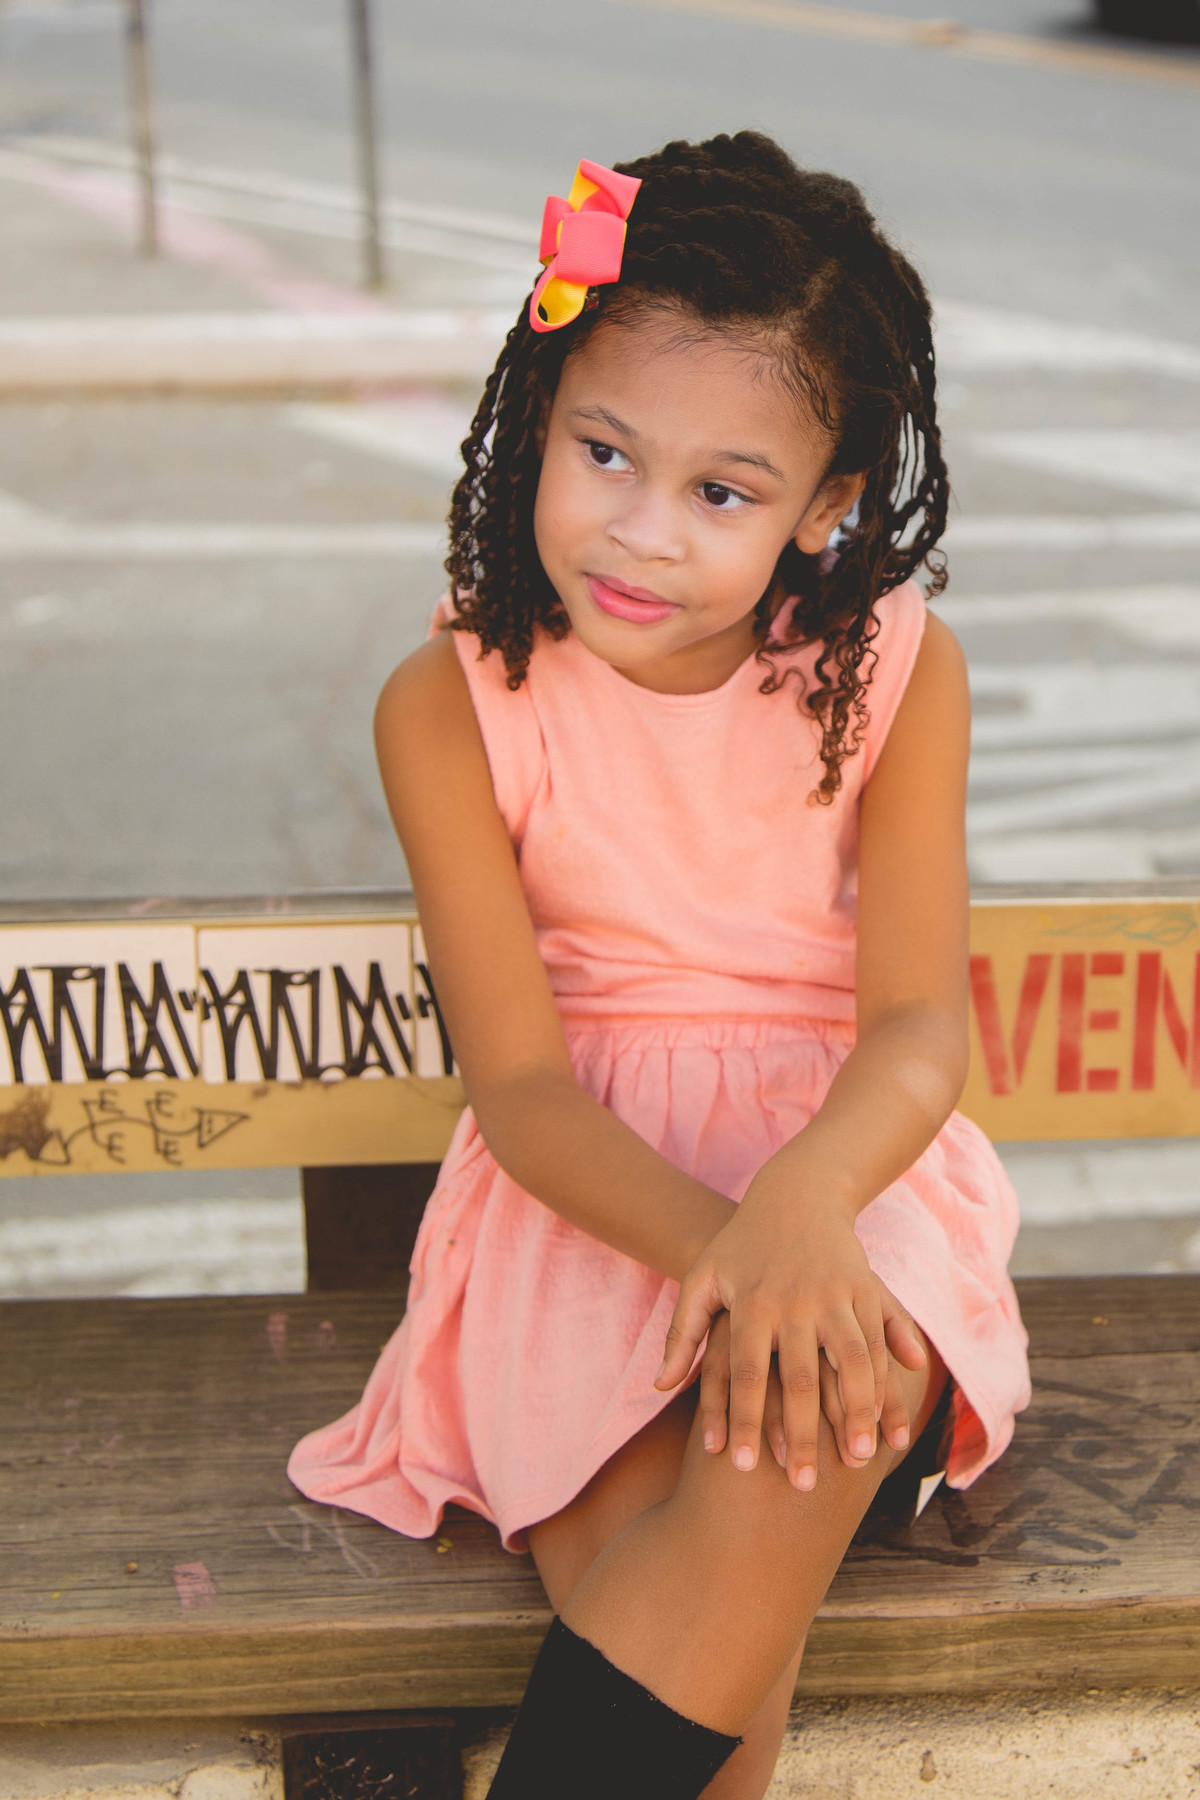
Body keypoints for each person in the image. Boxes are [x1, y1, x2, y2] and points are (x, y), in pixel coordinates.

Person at [289, 131, 1031, 1800]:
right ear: (538, 418)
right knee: (682, 1588)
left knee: (805, 1418)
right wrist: (731, 1254)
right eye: (604, 452)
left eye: (721, 492)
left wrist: (800, 1218)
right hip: (588, 1202)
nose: (638, 533)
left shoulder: (895, 671)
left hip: (846, 1179)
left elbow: (920, 1026)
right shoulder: (454, 700)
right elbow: (523, 1090)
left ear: (827, 506)